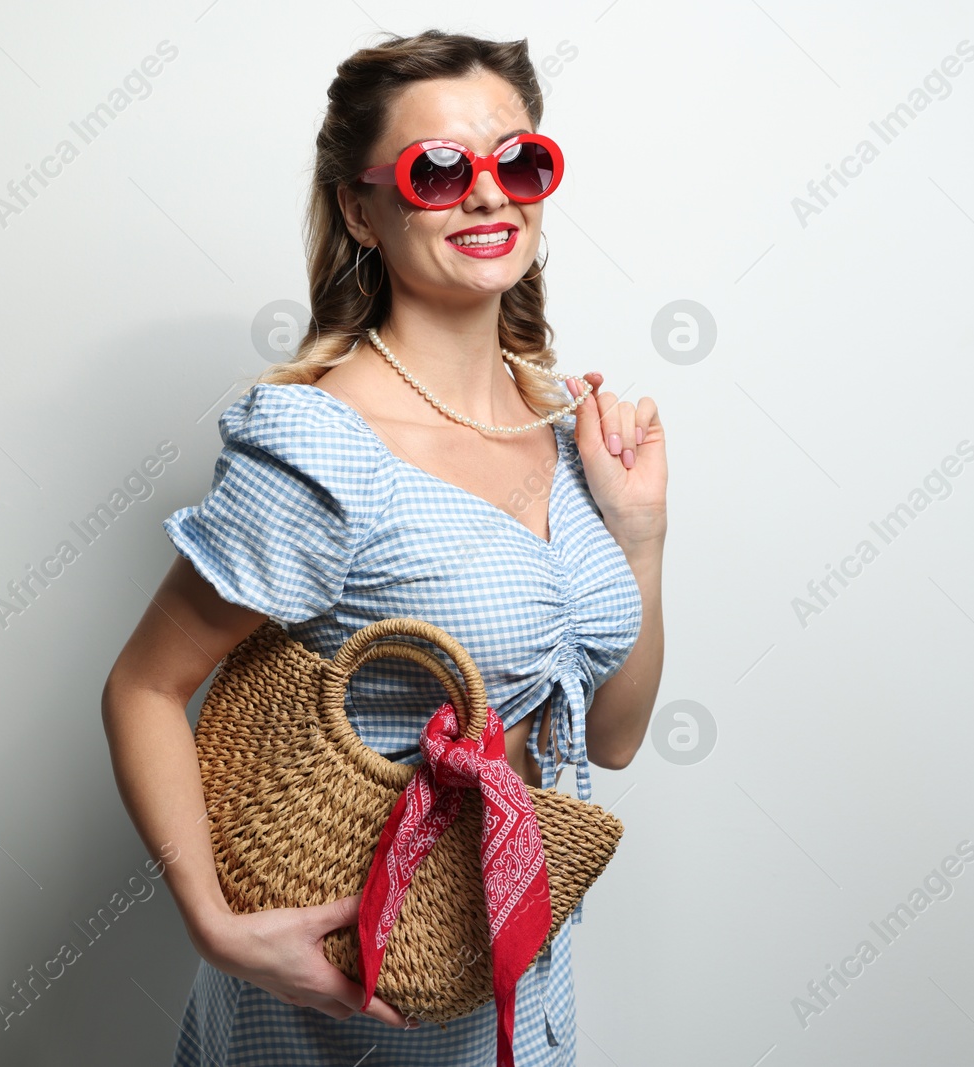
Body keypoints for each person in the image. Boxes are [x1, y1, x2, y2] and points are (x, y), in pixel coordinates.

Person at [101, 28, 667, 1067]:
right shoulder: (323, 441)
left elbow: (614, 736)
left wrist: (638, 532)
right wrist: (212, 921)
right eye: (438, 169)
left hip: (517, 996)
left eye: (518, 160)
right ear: (361, 207)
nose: (488, 195)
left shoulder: (558, 426)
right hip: (346, 1016)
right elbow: (141, 685)